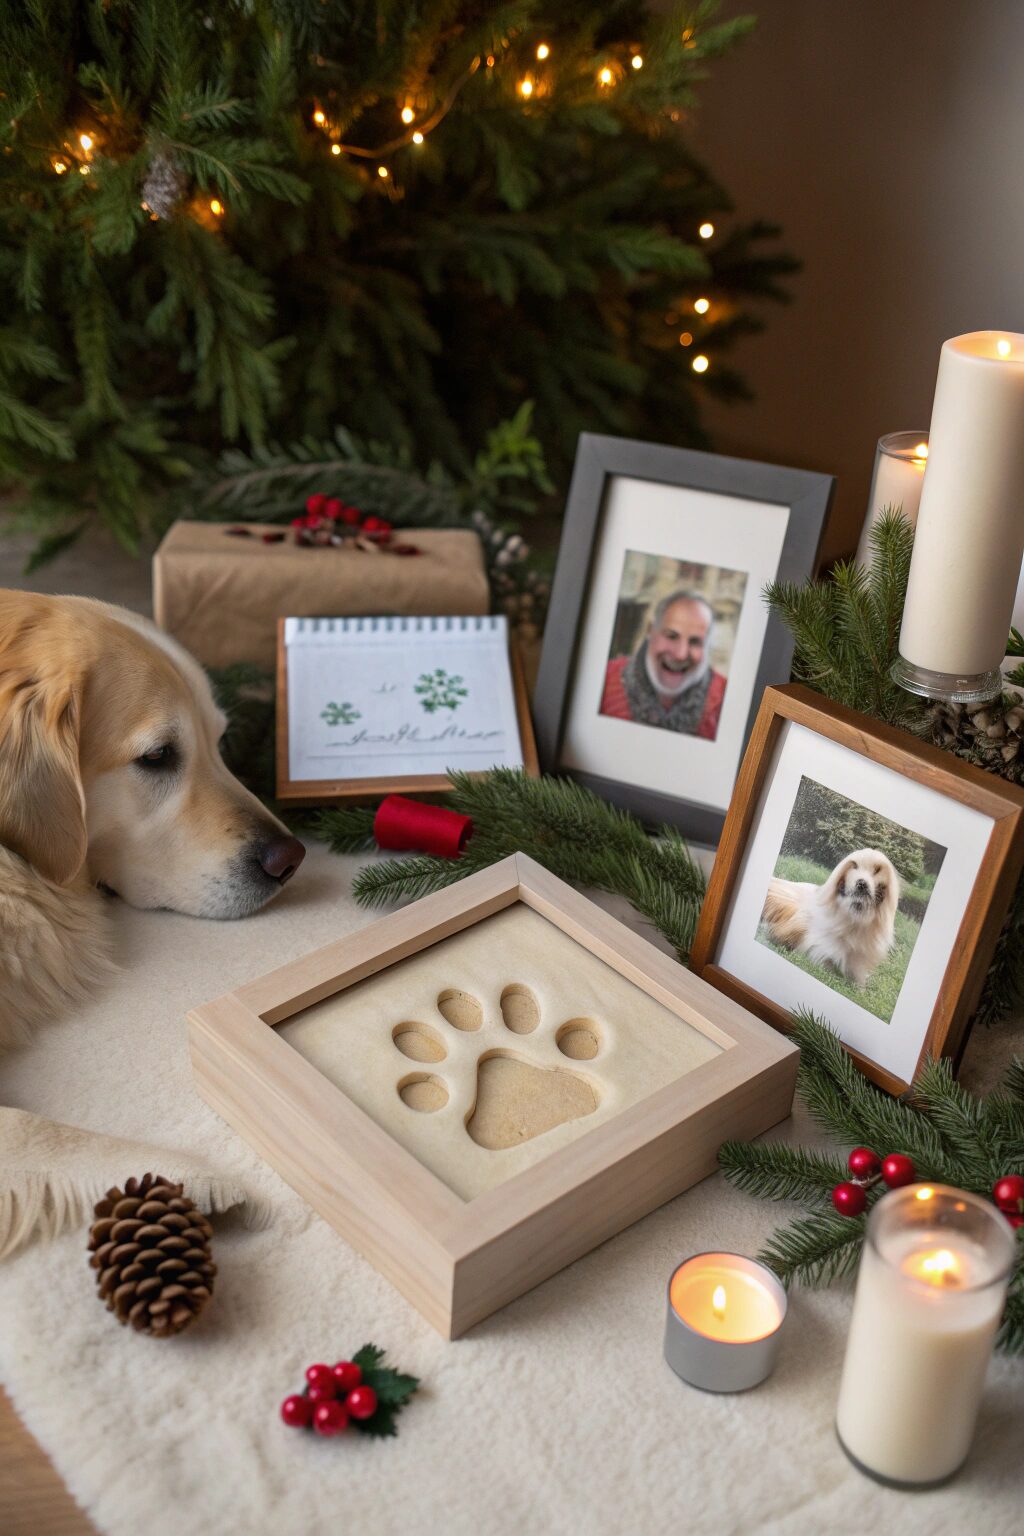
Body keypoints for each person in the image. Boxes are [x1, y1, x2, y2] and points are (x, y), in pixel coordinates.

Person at [600, 590, 727, 738]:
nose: (681, 654)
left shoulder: (726, 700)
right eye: (671, 636)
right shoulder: (604, 679)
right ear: (650, 630)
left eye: (695, 642)